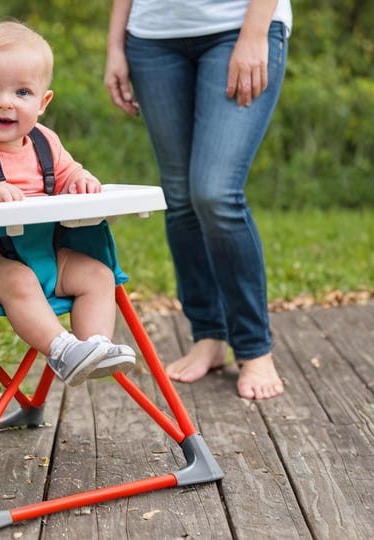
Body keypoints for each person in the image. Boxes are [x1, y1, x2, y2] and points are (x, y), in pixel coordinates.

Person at [0, 20, 135, 387]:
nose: (5, 101)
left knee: (98, 276)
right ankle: (62, 350)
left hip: (47, 254)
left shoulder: (45, 142)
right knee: (17, 279)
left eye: (22, 92)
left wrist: (82, 180)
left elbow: (70, 173)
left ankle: (94, 346)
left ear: (42, 103)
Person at [104, 1, 291, 400]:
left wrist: (255, 34)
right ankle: (208, 335)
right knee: (181, 197)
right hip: (152, 38)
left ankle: (254, 347)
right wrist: (115, 45)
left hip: (237, 26)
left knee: (215, 193)